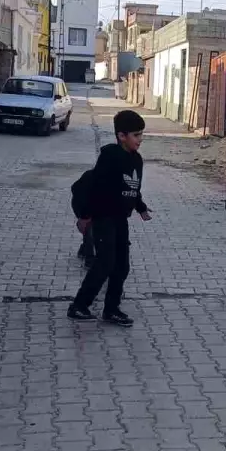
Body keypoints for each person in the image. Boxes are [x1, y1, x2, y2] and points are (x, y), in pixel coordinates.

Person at [68, 109, 152, 325]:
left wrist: (141, 207)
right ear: (121, 136)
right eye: (136, 135)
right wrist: (85, 216)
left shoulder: (137, 160)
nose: (140, 140)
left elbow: (134, 186)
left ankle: (111, 310)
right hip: (103, 217)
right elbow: (95, 188)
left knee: (122, 266)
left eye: (142, 134)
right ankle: (79, 306)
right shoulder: (110, 156)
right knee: (104, 263)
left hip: (120, 219)